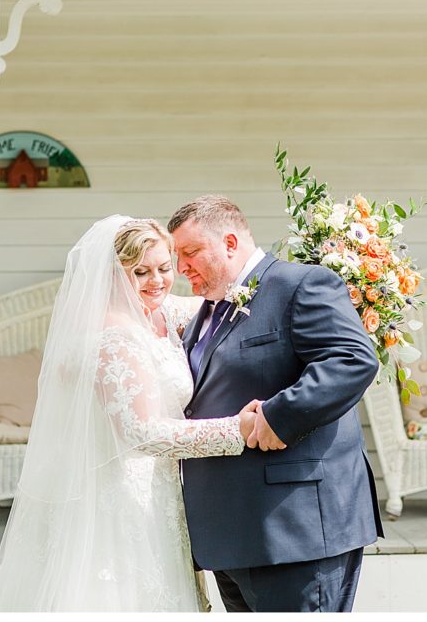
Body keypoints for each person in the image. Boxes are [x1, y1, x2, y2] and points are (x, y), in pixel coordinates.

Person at [0, 215, 259, 612]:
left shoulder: (161, 314)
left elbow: (227, 305)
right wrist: (237, 430)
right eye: (140, 272)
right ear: (114, 273)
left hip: (160, 494)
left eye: (165, 268)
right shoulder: (114, 334)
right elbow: (142, 433)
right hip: (126, 500)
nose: (157, 281)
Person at [169, 195, 383, 613]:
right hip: (229, 532)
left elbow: (352, 359)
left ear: (230, 243)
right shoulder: (204, 313)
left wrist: (278, 415)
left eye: (190, 252)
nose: (181, 268)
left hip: (293, 531)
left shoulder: (299, 284)